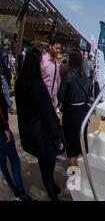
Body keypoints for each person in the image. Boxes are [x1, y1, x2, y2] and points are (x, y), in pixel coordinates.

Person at [15, 48, 66, 201]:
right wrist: (57, 138)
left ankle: (53, 188)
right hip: (42, 134)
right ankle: (53, 193)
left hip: (29, 132)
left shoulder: (19, 83)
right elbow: (48, 116)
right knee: (47, 166)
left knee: (44, 163)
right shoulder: (37, 86)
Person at [0, 83, 32, 201]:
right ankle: (22, 194)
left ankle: (16, 192)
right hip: (2, 133)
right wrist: (5, 128)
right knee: (14, 162)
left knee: (3, 165)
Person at [58, 51, 89, 167]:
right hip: (83, 113)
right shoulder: (85, 76)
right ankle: (83, 167)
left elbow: (60, 96)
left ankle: (74, 170)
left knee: (71, 142)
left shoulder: (67, 76)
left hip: (70, 113)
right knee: (81, 140)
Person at [41, 38, 61, 109]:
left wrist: (54, 95)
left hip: (52, 103)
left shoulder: (57, 64)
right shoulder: (43, 60)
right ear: (50, 47)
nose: (58, 51)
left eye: (59, 48)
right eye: (56, 48)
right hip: (42, 99)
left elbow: (58, 81)